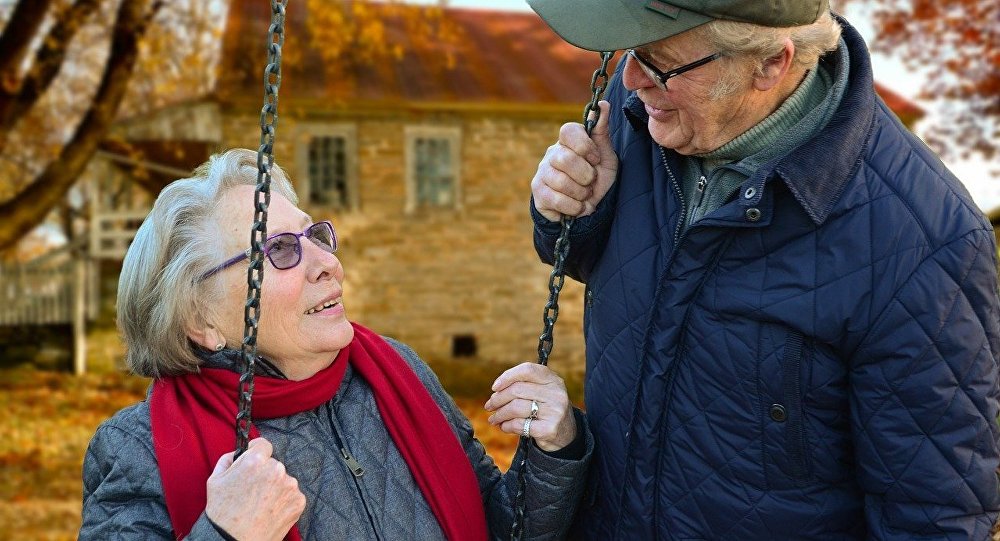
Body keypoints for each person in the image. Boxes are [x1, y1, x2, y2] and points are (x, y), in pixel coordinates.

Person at [527, 0, 1000, 539]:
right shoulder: (645, 110)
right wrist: (571, 212)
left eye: (659, 62)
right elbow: (611, 265)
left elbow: (932, 517)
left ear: (771, 63)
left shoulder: (924, 240)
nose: (631, 79)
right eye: (631, 53)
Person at [80, 148, 592, 540]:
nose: (326, 263)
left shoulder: (397, 374)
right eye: (279, 250)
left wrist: (552, 450)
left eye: (315, 236)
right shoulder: (138, 448)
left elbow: (498, 526)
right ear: (201, 319)